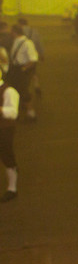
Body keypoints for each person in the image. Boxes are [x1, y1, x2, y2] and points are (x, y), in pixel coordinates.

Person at [0, 67, 20, 202]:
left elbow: (13, 112)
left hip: (4, 128)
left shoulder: (9, 91)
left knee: (6, 155)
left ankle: (12, 188)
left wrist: (1, 110)